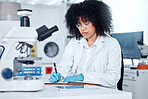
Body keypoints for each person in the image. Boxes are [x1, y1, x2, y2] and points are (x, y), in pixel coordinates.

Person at [49, 0, 121, 88]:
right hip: (77, 93)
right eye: (79, 25)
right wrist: (58, 74)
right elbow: (64, 65)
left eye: (86, 23)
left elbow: (112, 78)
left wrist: (84, 78)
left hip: (103, 94)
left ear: (97, 21)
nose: (82, 28)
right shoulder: (74, 43)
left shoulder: (111, 44)